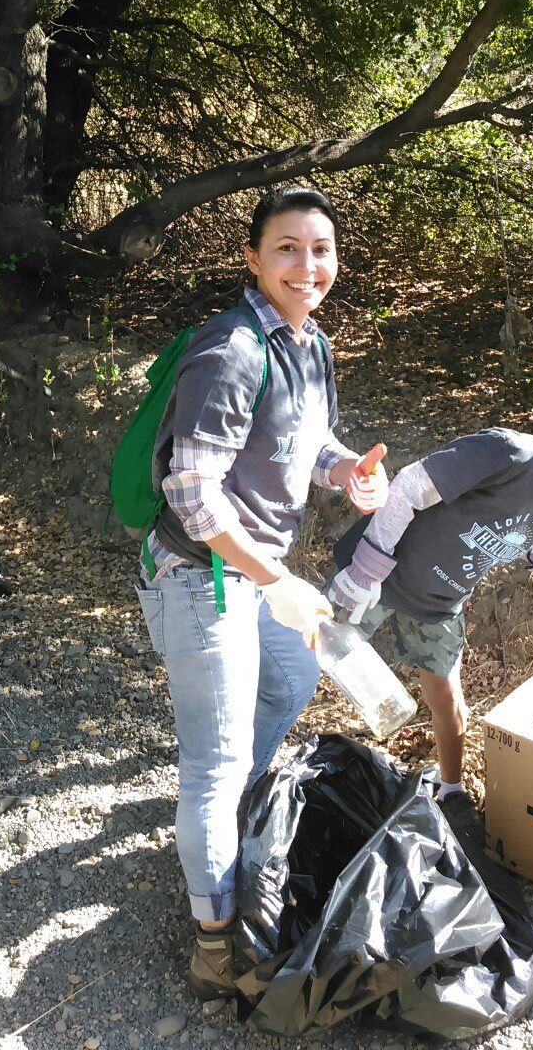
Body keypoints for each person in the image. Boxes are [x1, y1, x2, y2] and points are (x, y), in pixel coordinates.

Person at [134, 186, 388, 998]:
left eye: (319, 248)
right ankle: (216, 946)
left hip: (253, 576)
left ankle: (230, 827)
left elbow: (304, 442)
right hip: (201, 574)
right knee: (213, 762)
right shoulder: (232, 349)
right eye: (285, 247)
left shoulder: (308, 344)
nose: (304, 264)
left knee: (290, 677)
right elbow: (192, 495)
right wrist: (274, 580)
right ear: (251, 258)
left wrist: (345, 469)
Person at [326, 383, 533, 824]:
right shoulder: (510, 452)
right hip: (380, 579)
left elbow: (516, 533)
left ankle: (451, 789)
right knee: (308, 655)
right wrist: (366, 567)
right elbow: (409, 487)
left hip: (441, 602)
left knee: (445, 697)